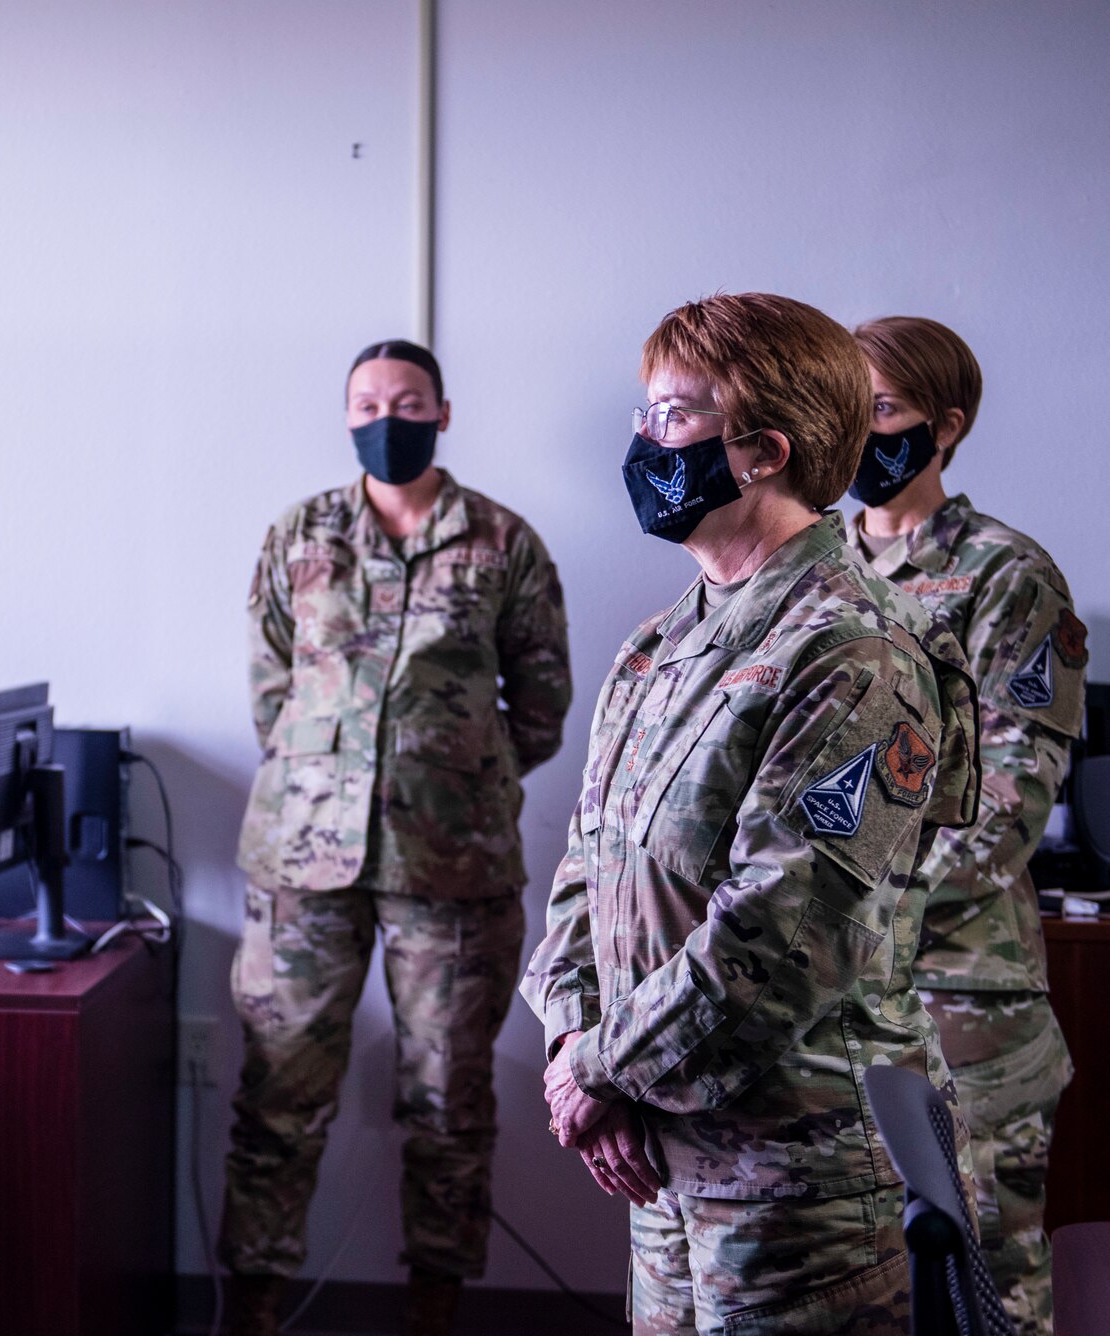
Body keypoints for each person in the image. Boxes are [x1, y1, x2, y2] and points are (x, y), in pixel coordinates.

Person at [522, 294, 979, 1336]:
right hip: (655, 1157)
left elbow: (779, 934)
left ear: (762, 450)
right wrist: (571, 1051)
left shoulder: (853, 649)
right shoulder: (656, 646)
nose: (640, 442)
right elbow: (578, 882)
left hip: (795, 1196)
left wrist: (597, 1069)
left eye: (668, 419)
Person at [223, 339, 572, 1336]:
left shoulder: (503, 542)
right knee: (276, 1102)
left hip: (451, 867)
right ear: (345, 416)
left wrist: (454, 777)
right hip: (302, 863)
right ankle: (246, 1311)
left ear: (443, 413)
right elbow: (268, 689)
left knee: (446, 1106)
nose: (387, 415)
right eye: (367, 401)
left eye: (407, 399)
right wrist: (321, 785)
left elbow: (540, 703)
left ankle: (432, 1311)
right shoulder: (300, 532)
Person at [844, 316, 1081, 1336]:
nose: (859, 431)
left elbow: (1010, 799)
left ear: (944, 425)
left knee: (986, 1277)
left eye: (882, 410)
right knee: (842, 1274)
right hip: (824, 1004)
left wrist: (844, 912)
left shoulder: (1003, 575)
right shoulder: (805, 570)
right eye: (844, 408)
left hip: (957, 991)